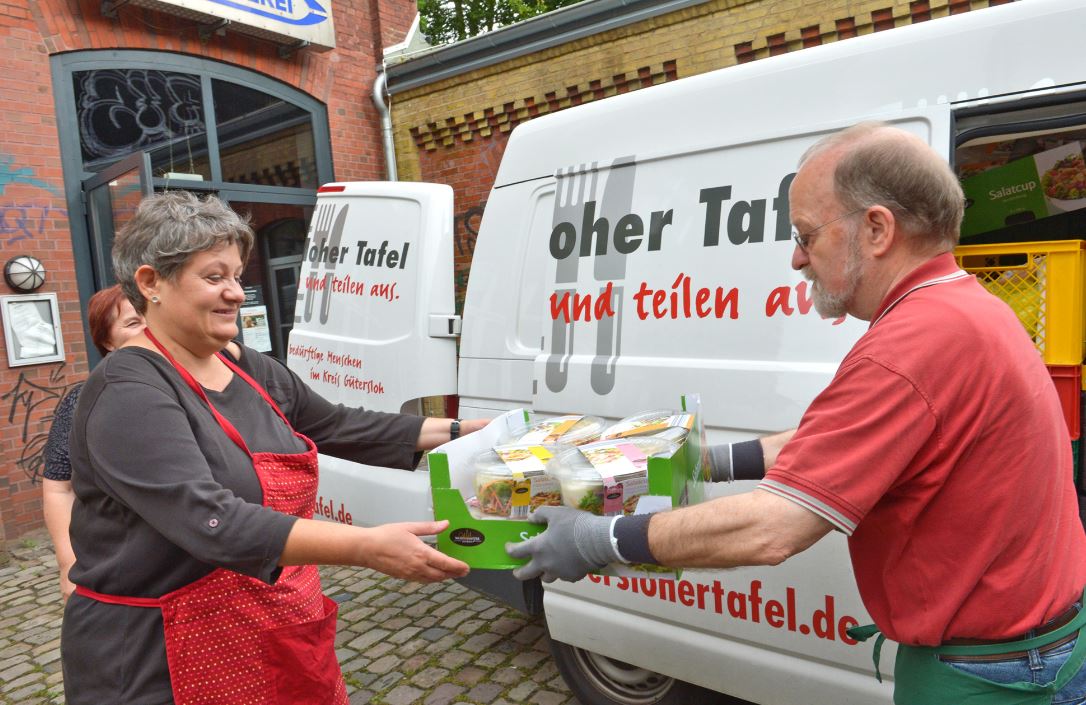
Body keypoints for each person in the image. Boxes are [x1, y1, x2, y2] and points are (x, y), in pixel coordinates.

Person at [508, 122, 1086, 704]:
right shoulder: (961, 306)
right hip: (1032, 646)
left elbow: (773, 528)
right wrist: (710, 462)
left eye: (807, 235)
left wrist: (598, 538)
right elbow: (842, 440)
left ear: (877, 229)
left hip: (991, 674)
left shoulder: (909, 346)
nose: (796, 258)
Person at [61, 191, 484, 705]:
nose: (235, 293)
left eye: (237, 276)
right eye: (214, 277)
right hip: (159, 657)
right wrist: (365, 547)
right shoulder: (128, 392)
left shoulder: (244, 364)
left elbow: (339, 424)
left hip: (273, 628)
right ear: (151, 283)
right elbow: (212, 521)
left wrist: (465, 431)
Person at [42, 284, 145, 601]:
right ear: (107, 342)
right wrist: (68, 566)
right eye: (133, 322)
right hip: (122, 568)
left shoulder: (202, 383)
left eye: (152, 317)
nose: (148, 329)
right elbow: (59, 487)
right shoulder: (84, 401)